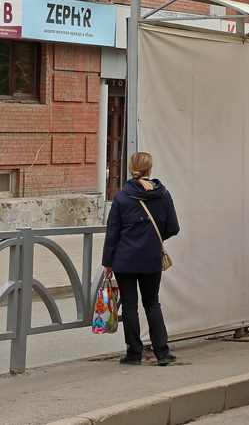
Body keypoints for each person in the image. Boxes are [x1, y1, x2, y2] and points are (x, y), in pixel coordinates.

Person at [101, 151, 180, 365]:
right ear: (149, 169)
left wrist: (107, 262)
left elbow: (112, 232)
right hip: (152, 258)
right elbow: (174, 227)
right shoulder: (163, 194)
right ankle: (162, 353)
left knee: (129, 306)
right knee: (152, 303)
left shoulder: (121, 197)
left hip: (124, 260)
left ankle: (134, 354)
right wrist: (152, 240)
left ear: (131, 169)